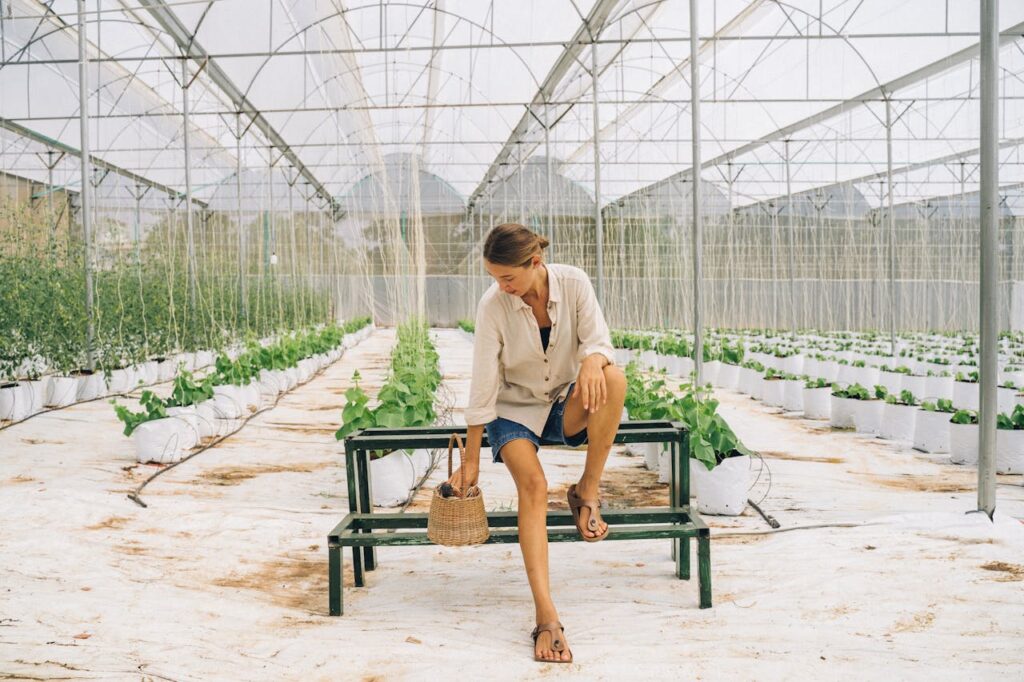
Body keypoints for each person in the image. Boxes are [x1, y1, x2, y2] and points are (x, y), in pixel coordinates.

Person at [447, 223, 626, 664]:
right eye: (494, 278)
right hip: (513, 412)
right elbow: (484, 387)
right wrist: (470, 462)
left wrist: (593, 362)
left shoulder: (574, 282)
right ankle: (546, 616)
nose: (501, 287)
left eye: (507, 277)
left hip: (561, 405)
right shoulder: (494, 307)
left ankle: (587, 490)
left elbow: (600, 342)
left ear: (535, 263)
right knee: (533, 486)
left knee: (613, 377)